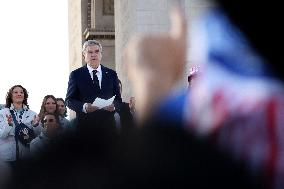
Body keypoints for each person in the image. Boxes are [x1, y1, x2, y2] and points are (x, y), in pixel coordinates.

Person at [65, 39, 122, 133]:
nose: (93, 54)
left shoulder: (112, 74)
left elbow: (118, 100)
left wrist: (114, 106)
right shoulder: (76, 75)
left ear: (101, 55)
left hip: (108, 131)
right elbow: (69, 101)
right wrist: (84, 107)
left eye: (96, 51)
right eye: (90, 52)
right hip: (86, 131)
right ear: (84, 55)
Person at [0, 85, 38, 163]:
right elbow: (2, 135)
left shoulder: (32, 114)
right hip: (7, 158)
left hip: (26, 157)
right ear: (11, 96)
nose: (19, 94)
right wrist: (9, 125)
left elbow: (37, 136)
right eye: (15, 92)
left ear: (24, 96)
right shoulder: (3, 113)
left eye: (21, 92)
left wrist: (35, 126)